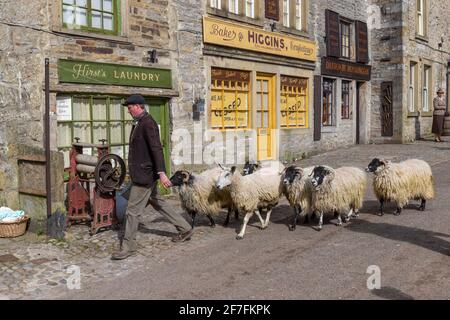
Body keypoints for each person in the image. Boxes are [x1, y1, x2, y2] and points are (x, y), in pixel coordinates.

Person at [111, 94, 194, 260]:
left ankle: (128, 247)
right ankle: (185, 228)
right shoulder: (140, 123)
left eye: (130, 108)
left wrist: (161, 173)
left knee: (132, 212)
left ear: (138, 106)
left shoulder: (148, 123)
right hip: (143, 174)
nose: (128, 111)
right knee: (160, 204)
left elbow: (157, 149)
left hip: (144, 176)